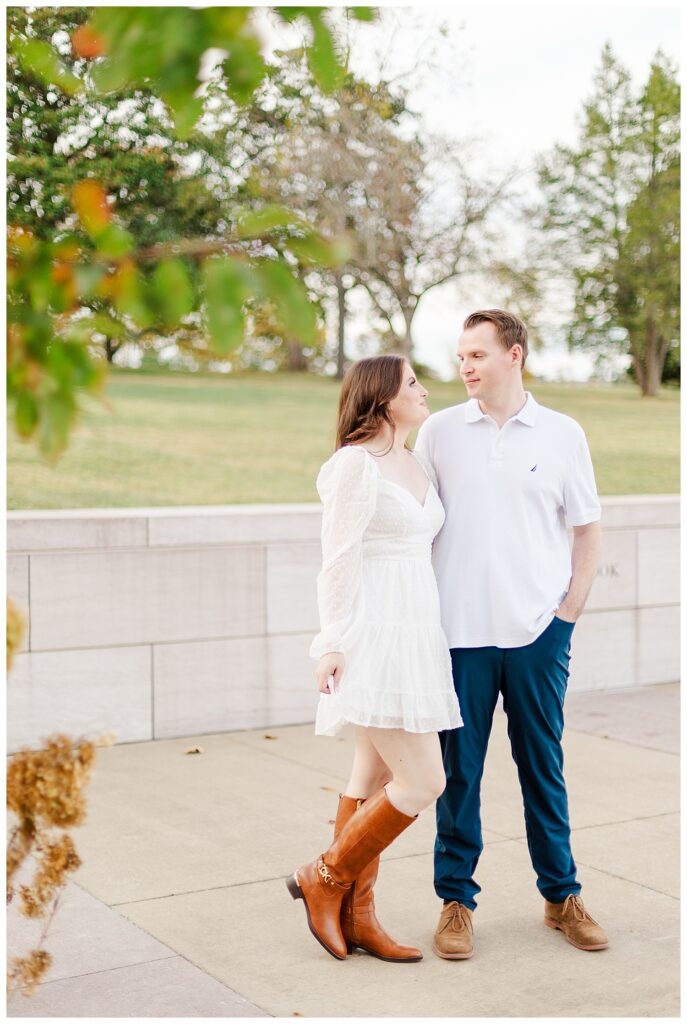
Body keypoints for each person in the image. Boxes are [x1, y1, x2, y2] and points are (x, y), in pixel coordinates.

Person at [415, 308, 609, 960]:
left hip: (536, 637)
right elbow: (413, 527)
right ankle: (454, 903)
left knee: (542, 771)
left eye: (476, 354)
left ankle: (561, 896)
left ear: (514, 355)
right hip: (457, 637)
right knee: (457, 777)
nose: (464, 366)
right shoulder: (438, 433)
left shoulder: (561, 434)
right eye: (460, 356)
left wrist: (566, 618)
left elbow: (585, 529)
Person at [286, 355, 463, 962]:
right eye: (412, 382)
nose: (424, 389)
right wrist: (330, 641)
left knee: (372, 778)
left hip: (417, 632)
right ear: (383, 399)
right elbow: (337, 558)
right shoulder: (353, 466)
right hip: (373, 633)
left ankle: (358, 919)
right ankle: (326, 877)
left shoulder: (417, 462)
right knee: (425, 781)